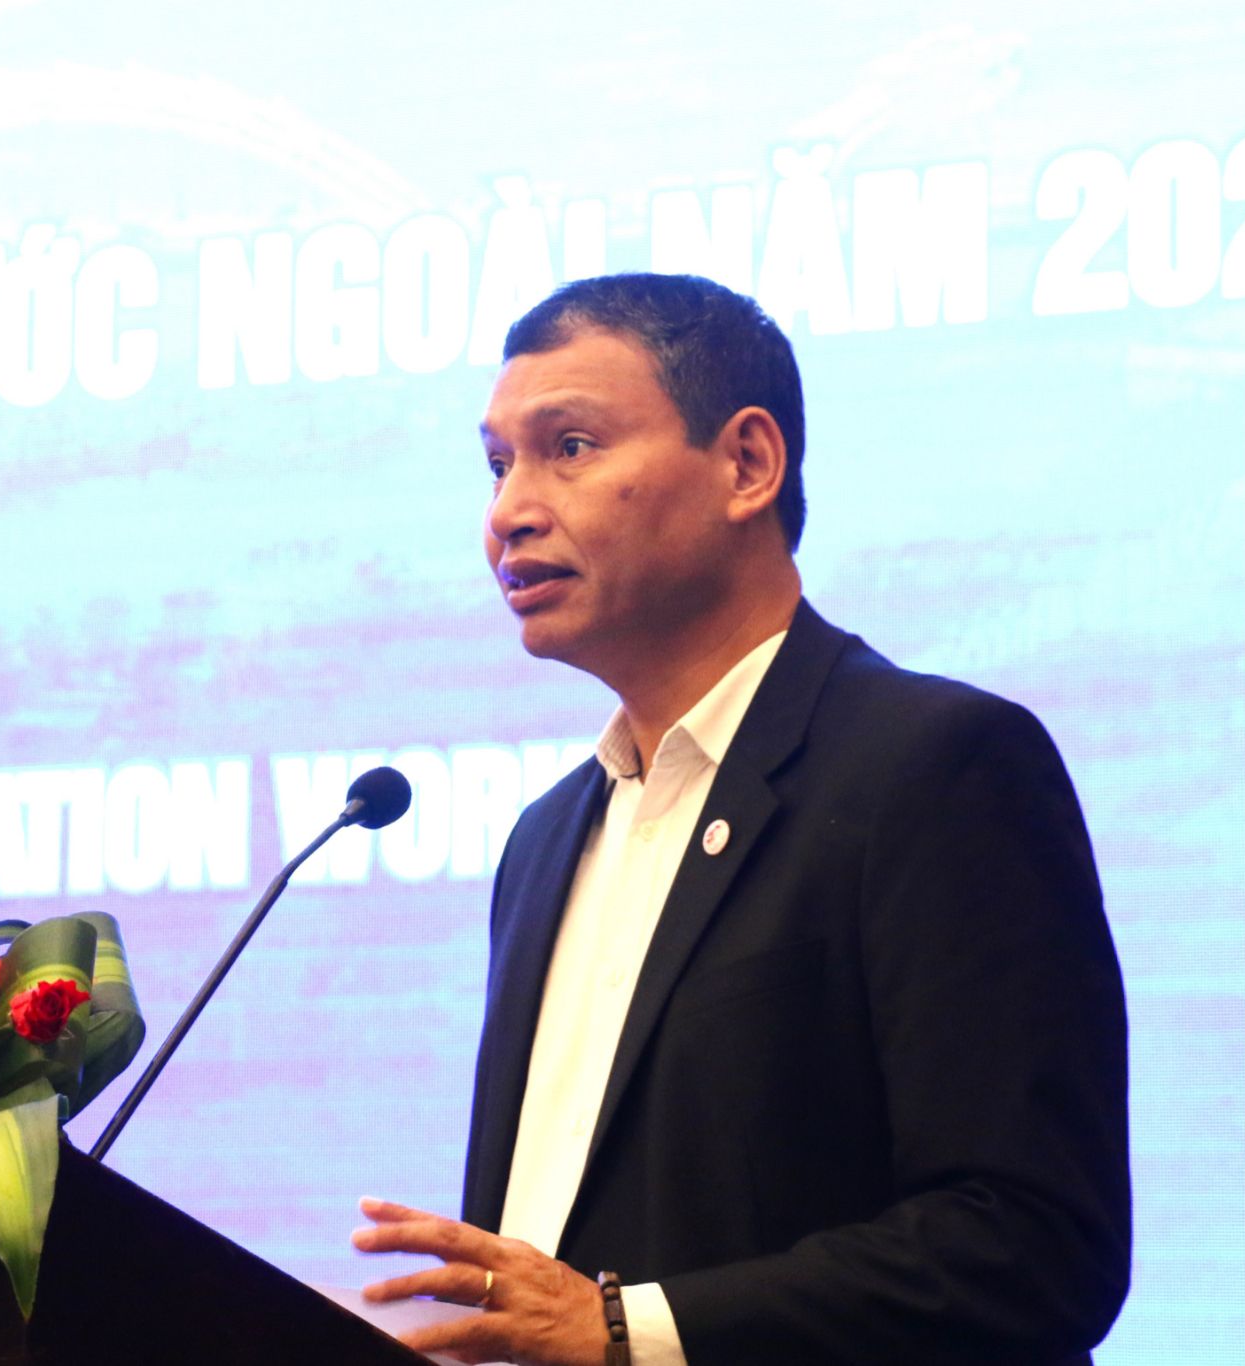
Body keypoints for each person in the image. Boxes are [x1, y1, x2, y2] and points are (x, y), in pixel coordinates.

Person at [353, 273, 1130, 1365]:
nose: (507, 511)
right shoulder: (543, 840)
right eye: (495, 464)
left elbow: (1032, 1242)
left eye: (567, 446)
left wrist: (626, 1330)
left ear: (745, 464)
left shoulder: (935, 767)